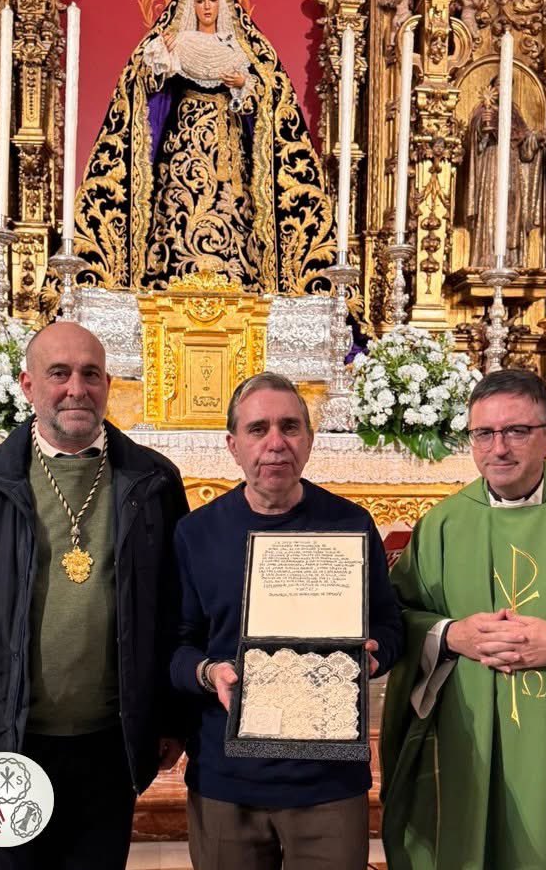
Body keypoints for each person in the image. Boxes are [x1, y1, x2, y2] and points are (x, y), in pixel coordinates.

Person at [0, 321, 189, 869]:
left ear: (108, 385)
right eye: (58, 374)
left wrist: (172, 719)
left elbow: (176, 614)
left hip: (111, 744)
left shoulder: (153, 481)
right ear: (27, 385)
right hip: (7, 743)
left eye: (90, 374)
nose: (76, 388)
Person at [380, 369, 546, 870]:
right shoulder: (444, 525)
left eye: (517, 431)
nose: (499, 448)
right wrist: (450, 634)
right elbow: (394, 618)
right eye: (484, 434)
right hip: (465, 733)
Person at [170, 371, 403, 870]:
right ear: (233, 445)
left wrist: (370, 657)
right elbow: (177, 646)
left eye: (290, 427)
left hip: (327, 779)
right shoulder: (197, 533)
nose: (275, 443)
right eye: (258, 429)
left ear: (310, 440)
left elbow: (391, 626)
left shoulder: (350, 524)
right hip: (226, 779)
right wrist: (211, 674)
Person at [75, 0, 335, 295]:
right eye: (200, 0)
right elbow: (145, 85)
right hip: (184, 138)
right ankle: (174, 275)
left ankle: (234, 278)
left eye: (213, 0)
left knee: (230, 203)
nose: (207, 7)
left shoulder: (243, 48)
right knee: (177, 202)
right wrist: (160, 59)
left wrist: (241, 87)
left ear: (225, 4)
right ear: (188, 4)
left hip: (227, 143)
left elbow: (266, 98)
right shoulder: (172, 41)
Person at [464, 78, 546, 267]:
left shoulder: (514, 114)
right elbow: (476, 139)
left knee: (513, 208)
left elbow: (526, 151)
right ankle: (488, 258)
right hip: (492, 164)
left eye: (508, 85)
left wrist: (537, 138)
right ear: (492, 88)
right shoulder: (484, 110)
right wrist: (482, 128)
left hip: (513, 166)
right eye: (501, 85)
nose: (504, 89)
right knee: (492, 206)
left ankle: (511, 260)